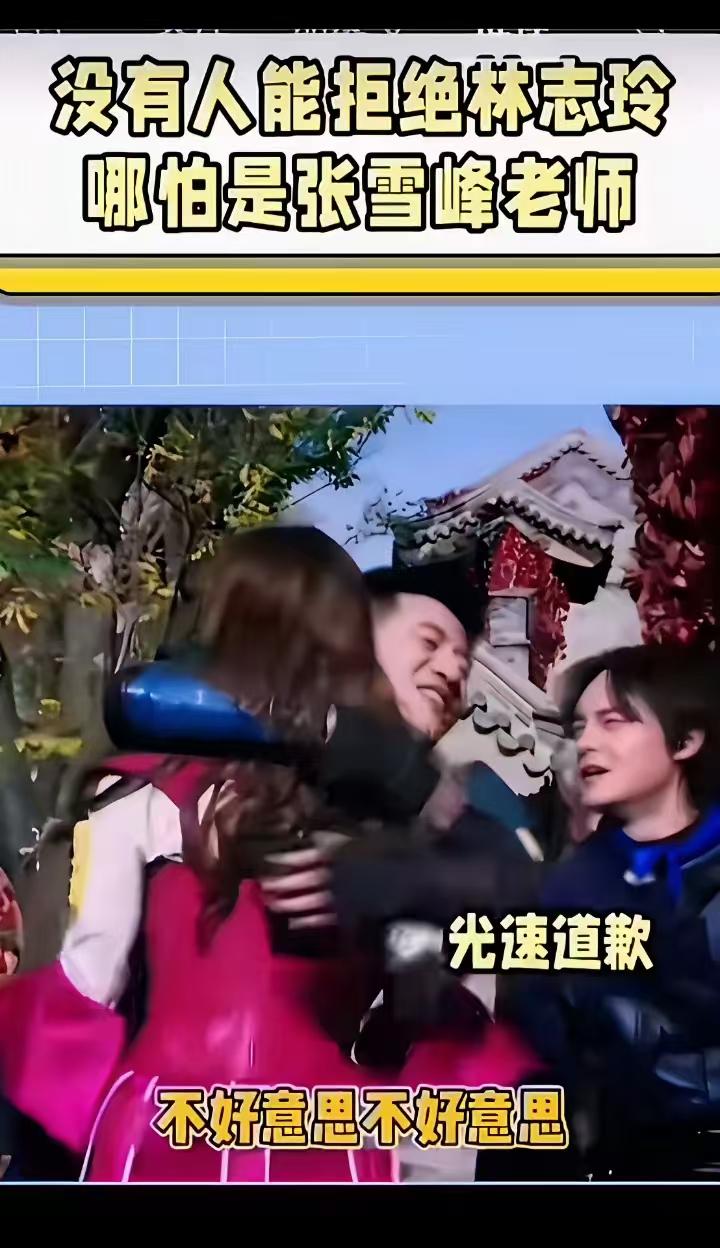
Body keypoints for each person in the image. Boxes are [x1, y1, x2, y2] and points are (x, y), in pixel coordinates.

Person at [0, 530, 534, 1184]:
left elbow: (89, 978)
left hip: (165, 1127)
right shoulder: (399, 822)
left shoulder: (146, 793)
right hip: (326, 1133)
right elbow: (420, 999)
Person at [499, 643, 720, 1180]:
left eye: (614, 722)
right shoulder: (570, 887)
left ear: (686, 741)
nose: (586, 742)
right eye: (579, 727)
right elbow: (537, 1061)